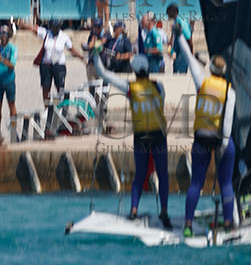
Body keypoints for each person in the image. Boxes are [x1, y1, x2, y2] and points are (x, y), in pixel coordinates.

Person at [95, 52, 171, 228]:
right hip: (158, 135)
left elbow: (104, 73)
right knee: (163, 175)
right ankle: (164, 212)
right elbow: (161, 102)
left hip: (141, 136)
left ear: (135, 71)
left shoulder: (129, 87)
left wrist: (95, 55)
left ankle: (133, 211)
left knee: (139, 174)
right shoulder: (159, 86)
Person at [174, 31, 237, 237]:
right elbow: (227, 121)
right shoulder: (230, 90)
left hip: (201, 139)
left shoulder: (202, 80)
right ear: (225, 71)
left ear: (210, 68)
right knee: (226, 183)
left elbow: (189, 57)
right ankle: (228, 223)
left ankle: (188, 225)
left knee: (196, 184)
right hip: (220, 140)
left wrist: (179, 36)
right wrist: (225, 144)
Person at [0, 23, 18, 144]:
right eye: (1, 34)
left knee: (11, 104)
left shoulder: (12, 48)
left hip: (9, 80)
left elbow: (12, 65)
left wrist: (1, 58)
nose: (3, 36)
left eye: (5, 34)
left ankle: (13, 129)